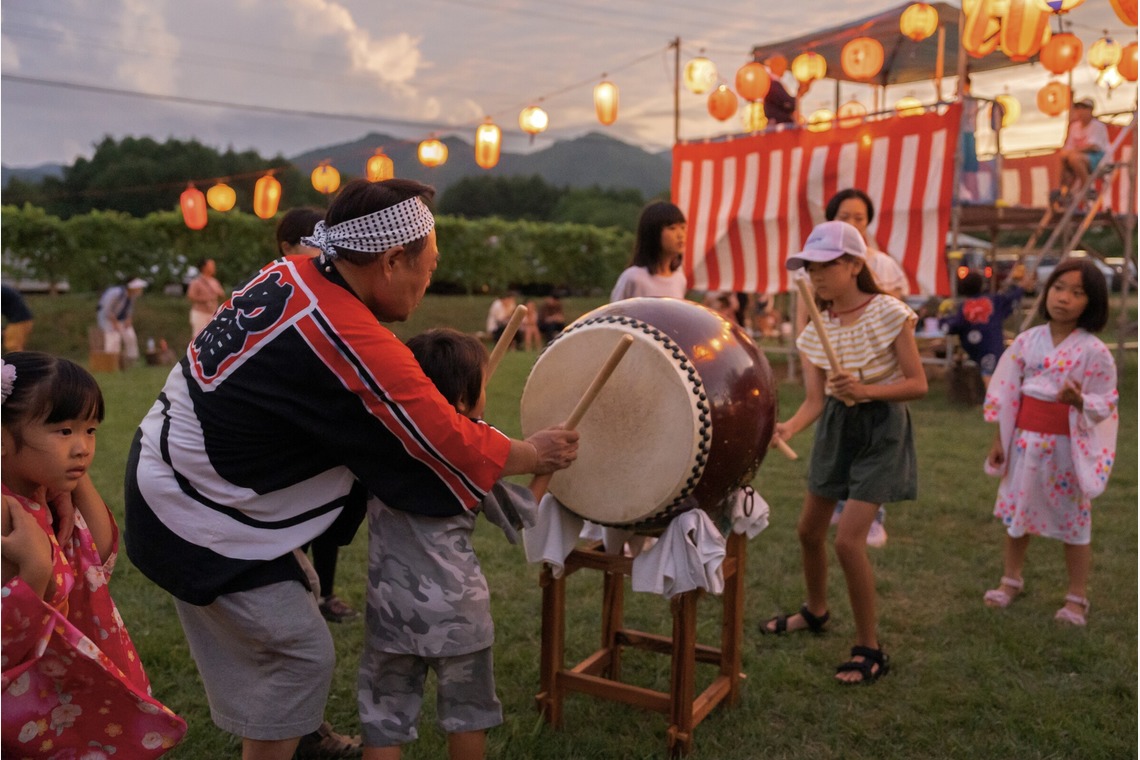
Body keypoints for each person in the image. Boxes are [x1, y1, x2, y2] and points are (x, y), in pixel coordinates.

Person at [123, 178, 578, 760]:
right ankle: (283, 735)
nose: (430, 279)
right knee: (298, 651)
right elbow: (447, 439)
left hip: (167, 467)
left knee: (297, 602)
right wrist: (534, 454)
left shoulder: (288, 274)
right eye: (429, 266)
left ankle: (295, 733)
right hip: (195, 510)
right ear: (391, 261)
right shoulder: (351, 336)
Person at [763, 221, 927, 686]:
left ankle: (870, 647)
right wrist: (789, 426)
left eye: (826, 265)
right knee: (808, 531)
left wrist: (865, 389)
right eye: (809, 267)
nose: (816, 275)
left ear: (855, 265)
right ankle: (816, 612)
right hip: (837, 428)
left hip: (881, 429)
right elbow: (816, 400)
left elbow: (917, 384)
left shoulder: (890, 312)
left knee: (847, 540)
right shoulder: (817, 328)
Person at [359, 328, 536, 760]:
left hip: (390, 609)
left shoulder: (379, 445)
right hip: (460, 614)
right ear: (460, 399)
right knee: (469, 714)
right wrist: (549, 465)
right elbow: (523, 513)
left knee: (384, 721)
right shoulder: (473, 456)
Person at [1, 352, 186, 756]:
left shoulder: (43, 494)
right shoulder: (8, 516)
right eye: (64, 431)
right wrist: (34, 569)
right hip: (28, 712)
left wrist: (72, 486)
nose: (83, 447)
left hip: (63, 694)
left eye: (91, 430)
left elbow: (99, 555)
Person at [981, 258, 1118, 626]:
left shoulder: (1094, 352)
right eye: (1059, 288)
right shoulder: (1027, 341)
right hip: (1025, 442)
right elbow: (1008, 392)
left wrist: (1080, 402)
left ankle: (1077, 596)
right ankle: (1011, 578)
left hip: (1066, 449)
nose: (1064, 299)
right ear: (1046, 291)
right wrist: (1001, 439)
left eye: (1077, 293)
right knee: (1018, 515)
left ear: (1092, 302)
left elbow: (1106, 400)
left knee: (1074, 522)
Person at [275, 206, 359, 624]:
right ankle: (301, 595)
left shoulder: (332, 289)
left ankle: (325, 592)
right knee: (296, 518)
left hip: (328, 422)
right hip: (293, 427)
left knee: (332, 510)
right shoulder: (274, 291)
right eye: (311, 242)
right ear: (286, 247)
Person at [821, 188, 908, 546]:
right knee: (844, 442)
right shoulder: (824, 266)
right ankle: (842, 504)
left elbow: (897, 318)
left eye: (859, 217)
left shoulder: (883, 264)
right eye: (845, 217)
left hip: (877, 373)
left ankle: (875, 516)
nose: (853, 223)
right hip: (839, 367)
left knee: (874, 446)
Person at [940, 268, 1030, 387]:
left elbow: (954, 325)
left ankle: (993, 398)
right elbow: (1010, 299)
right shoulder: (993, 301)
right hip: (992, 345)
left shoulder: (965, 307)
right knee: (991, 372)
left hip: (975, 346)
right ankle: (993, 398)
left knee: (989, 372)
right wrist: (1020, 288)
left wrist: (942, 319)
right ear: (981, 286)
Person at [610, 201, 688, 301]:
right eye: (672, 228)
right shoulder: (633, 277)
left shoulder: (679, 279)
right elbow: (614, 312)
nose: (680, 235)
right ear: (653, 233)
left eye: (683, 227)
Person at [1058, 98, 1109, 199]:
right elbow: (1068, 147)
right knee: (1065, 158)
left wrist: (1071, 153)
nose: (1080, 111)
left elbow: (1094, 146)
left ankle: (1087, 188)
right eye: (1078, 108)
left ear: (1090, 110)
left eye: (1083, 108)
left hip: (1099, 158)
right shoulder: (1074, 127)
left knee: (1074, 158)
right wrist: (1066, 154)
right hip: (1079, 156)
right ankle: (1064, 189)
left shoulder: (1097, 126)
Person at [96, 277, 146, 368]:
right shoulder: (115, 293)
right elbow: (106, 309)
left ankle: (131, 360)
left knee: (130, 336)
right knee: (113, 338)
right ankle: (112, 363)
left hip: (121, 318)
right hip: (107, 318)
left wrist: (128, 319)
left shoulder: (132, 296)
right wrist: (114, 324)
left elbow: (129, 309)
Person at [187, 258, 226, 339]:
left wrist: (218, 293)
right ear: (204, 267)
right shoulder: (196, 282)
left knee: (213, 337)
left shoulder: (214, 281)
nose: (214, 268)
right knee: (198, 338)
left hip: (213, 313)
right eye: (211, 265)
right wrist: (204, 299)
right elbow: (190, 296)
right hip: (200, 313)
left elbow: (222, 294)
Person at [1, 282, 34, 352]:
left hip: (19, 321)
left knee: (13, 348)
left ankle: (19, 363)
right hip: (21, 320)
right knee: (13, 347)